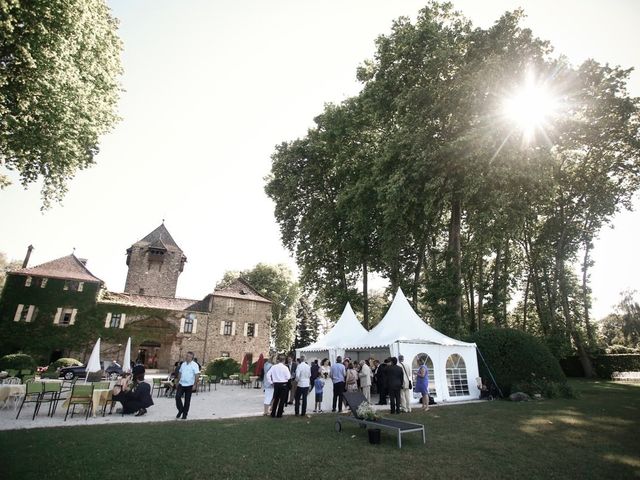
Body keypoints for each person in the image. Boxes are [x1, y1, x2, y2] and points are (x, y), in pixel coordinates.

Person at [175, 351, 200, 420]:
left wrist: (195, 384)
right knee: (177, 397)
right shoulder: (183, 364)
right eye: (186, 356)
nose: (187, 357)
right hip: (181, 384)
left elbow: (197, 375)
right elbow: (180, 373)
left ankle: (184, 414)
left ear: (192, 357)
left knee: (187, 400)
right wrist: (177, 382)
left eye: (189, 356)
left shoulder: (195, 365)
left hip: (189, 385)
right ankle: (180, 410)